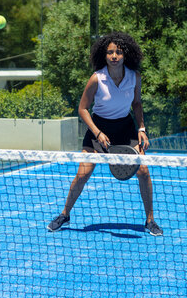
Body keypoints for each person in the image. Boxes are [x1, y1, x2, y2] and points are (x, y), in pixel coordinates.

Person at [47, 31, 163, 236]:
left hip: (125, 128)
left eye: (118, 52)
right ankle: (65, 214)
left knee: (143, 172)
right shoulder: (96, 79)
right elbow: (82, 109)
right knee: (83, 174)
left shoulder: (134, 77)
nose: (114, 56)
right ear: (105, 55)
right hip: (98, 128)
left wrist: (142, 128)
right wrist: (98, 132)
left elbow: (137, 103)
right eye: (110, 52)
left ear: (126, 54)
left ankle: (150, 220)